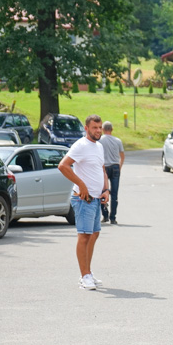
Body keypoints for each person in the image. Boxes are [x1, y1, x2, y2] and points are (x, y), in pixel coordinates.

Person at [58, 114, 109, 291]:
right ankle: (84, 276)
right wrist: (81, 184)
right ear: (86, 128)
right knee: (84, 235)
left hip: (96, 198)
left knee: (94, 234)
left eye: (100, 127)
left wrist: (106, 189)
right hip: (83, 199)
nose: (98, 130)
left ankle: (87, 272)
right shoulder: (80, 145)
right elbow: (63, 166)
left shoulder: (99, 146)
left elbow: (101, 169)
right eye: (94, 127)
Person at [99, 121, 124, 224]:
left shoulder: (100, 140)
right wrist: (119, 166)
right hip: (115, 167)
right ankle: (113, 217)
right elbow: (122, 156)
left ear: (103, 129)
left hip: (104, 167)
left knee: (102, 192)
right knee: (114, 194)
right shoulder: (118, 141)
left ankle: (105, 215)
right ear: (112, 129)